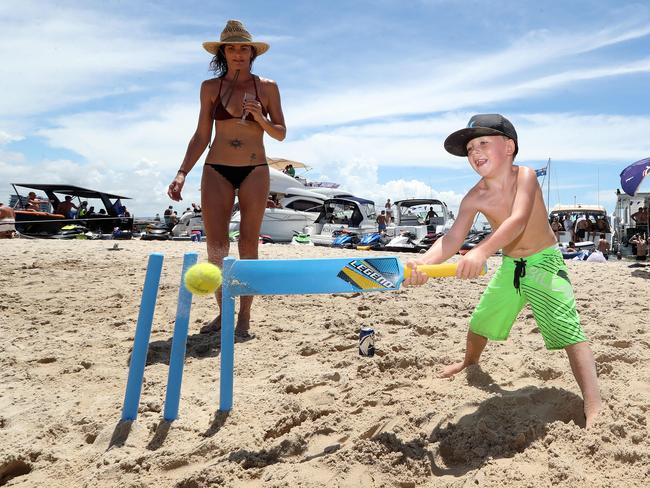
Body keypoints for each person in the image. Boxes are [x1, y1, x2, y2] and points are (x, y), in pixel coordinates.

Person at [404, 114, 601, 428]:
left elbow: (517, 220)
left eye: (483, 142)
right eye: (470, 148)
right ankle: (469, 361)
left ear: (509, 146)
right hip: (511, 267)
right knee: (481, 321)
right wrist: (424, 263)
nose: (475, 152)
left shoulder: (525, 176)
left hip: (542, 265)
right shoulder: (475, 196)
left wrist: (481, 251)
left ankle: (593, 404)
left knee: (568, 330)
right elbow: (453, 238)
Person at [167, 19, 285, 338]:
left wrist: (260, 116)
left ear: (252, 53)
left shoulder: (268, 87)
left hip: (255, 169)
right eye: (232, 48)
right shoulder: (210, 88)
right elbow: (201, 135)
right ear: (223, 52)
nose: (238, 53)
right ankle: (224, 312)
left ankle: (244, 316)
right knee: (217, 247)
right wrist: (181, 173)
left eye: (244, 47)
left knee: (248, 244)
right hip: (216, 168)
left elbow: (281, 133)